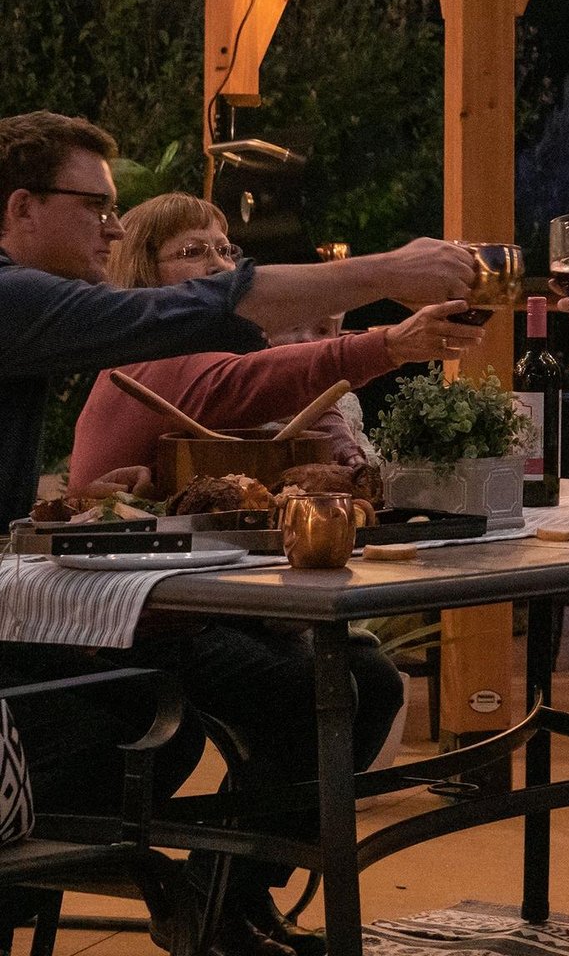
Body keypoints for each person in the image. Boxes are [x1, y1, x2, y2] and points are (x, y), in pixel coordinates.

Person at [0, 112, 479, 956]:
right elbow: (210, 330)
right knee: (174, 718)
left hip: (107, 607)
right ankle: (189, 890)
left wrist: (93, 501)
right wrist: (388, 280)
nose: (111, 228)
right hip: (88, 625)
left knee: (342, 677)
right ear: (20, 209)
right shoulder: (14, 300)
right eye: (96, 208)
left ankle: (217, 896)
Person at [69, 192, 468, 495]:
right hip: (96, 586)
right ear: (143, 273)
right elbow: (257, 379)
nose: (220, 266)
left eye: (226, 250)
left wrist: (347, 450)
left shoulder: (198, 351)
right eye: (193, 251)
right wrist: (392, 343)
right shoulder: (148, 356)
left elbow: (293, 395)